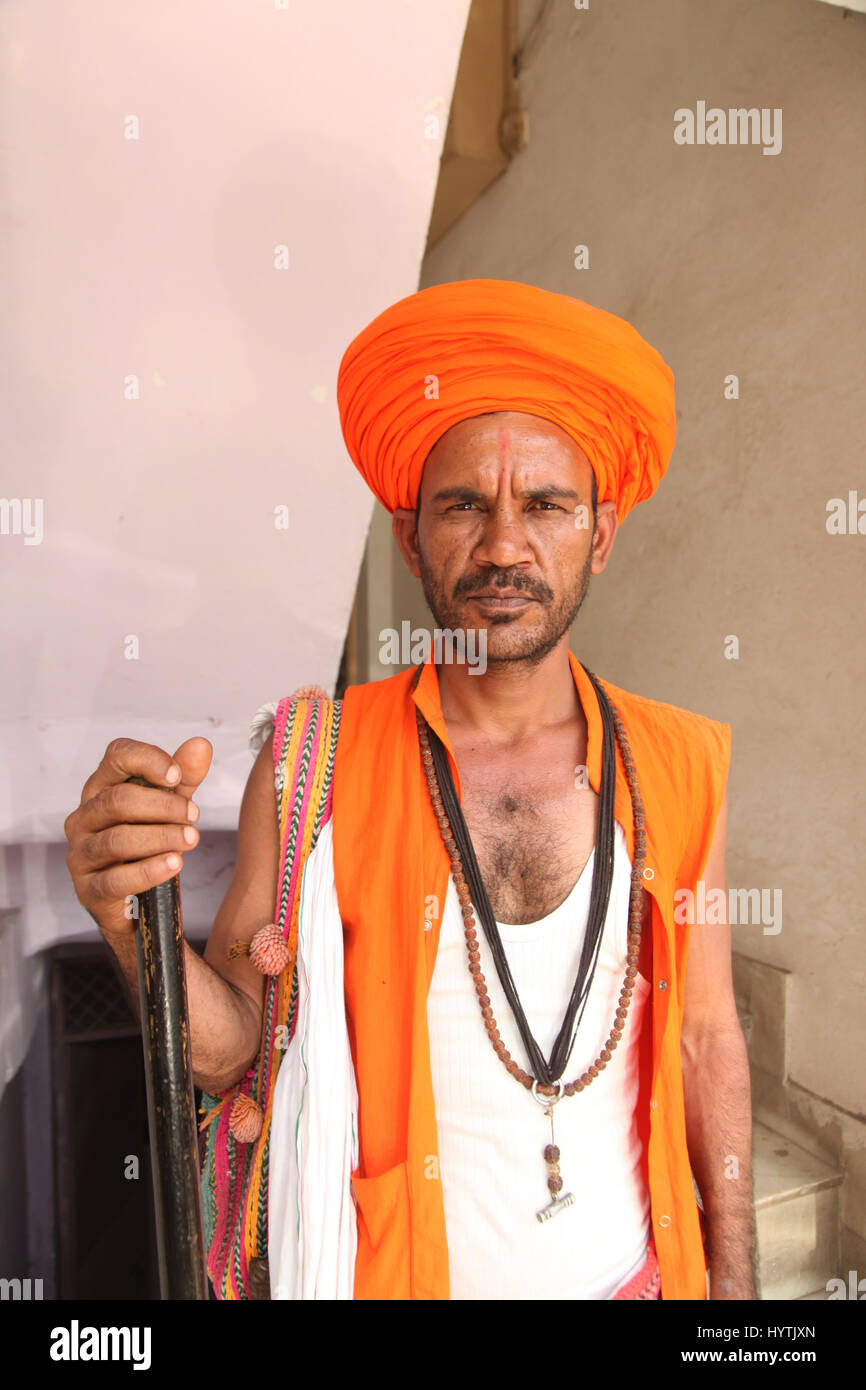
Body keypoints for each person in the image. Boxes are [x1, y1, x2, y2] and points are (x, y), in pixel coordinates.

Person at [64, 278, 755, 1301]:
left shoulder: (682, 762)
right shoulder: (314, 760)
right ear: (408, 536)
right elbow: (230, 1057)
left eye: (546, 505)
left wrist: (736, 1297)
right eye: (463, 504)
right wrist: (131, 922)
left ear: (599, 535)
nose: (503, 545)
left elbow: (703, 1036)